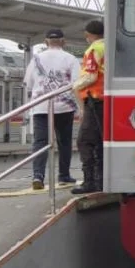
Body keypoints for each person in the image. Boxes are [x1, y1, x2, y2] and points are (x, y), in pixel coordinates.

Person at [24, 29, 82, 190]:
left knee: (40, 142)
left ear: (45, 42)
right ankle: (64, 175)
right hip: (64, 107)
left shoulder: (36, 59)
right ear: (63, 42)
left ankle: (38, 176)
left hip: (41, 106)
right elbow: (77, 84)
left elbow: (28, 84)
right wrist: (81, 108)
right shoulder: (70, 59)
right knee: (64, 142)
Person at [71, 20, 106, 195]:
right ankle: (101, 180)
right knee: (100, 141)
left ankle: (90, 181)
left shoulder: (94, 49)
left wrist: (76, 86)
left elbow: (91, 76)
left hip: (95, 98)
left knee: (85, 141)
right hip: (106, 100)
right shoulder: (109, 46)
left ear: (88, 35)